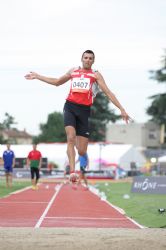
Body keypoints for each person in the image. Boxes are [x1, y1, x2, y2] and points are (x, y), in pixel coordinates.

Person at [25, 50, 131, 183]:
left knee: (81, 150)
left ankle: (82, 154)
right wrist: (38, 76)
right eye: (85, 57)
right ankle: (72, 172)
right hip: (70, 107)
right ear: (81, 59)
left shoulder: (95, 75)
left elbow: (108, 93)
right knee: (70, 138)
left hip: (84, 111)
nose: (87, 60)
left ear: (93, 61)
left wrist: (121, 109)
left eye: (90, 58)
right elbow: (57, 82)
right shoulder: (74, 71)